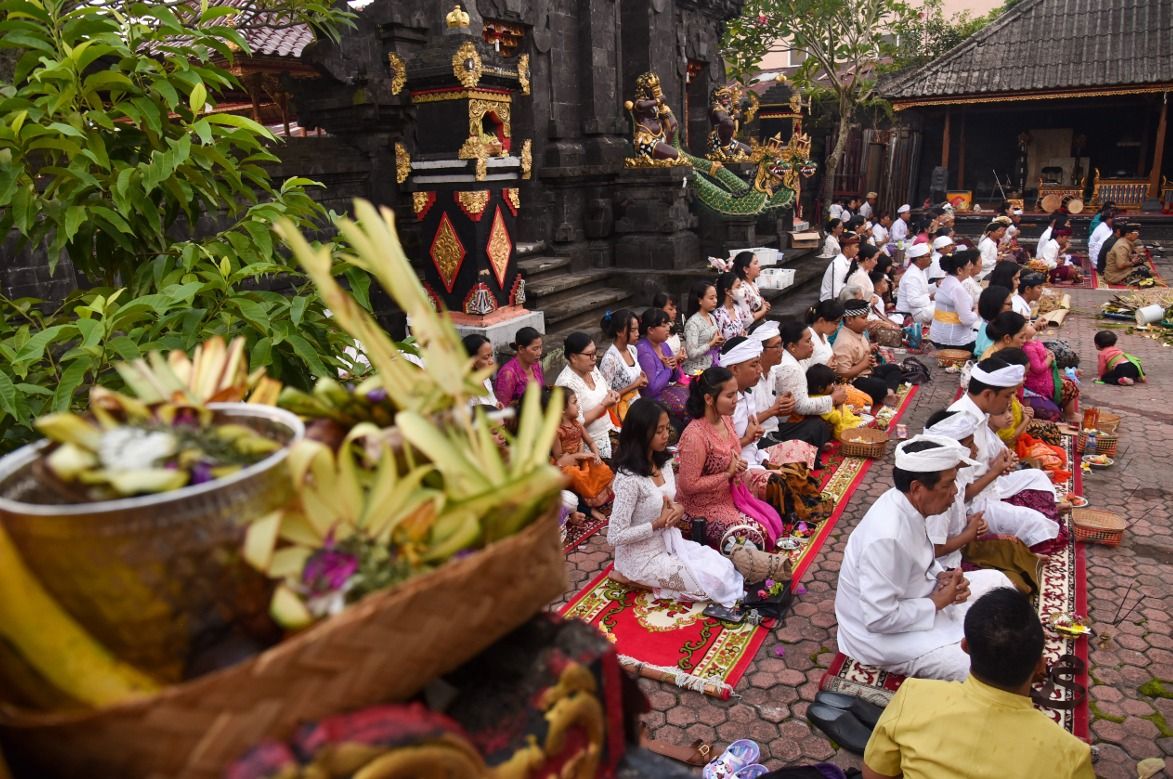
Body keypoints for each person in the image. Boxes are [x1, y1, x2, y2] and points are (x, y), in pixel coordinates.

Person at [861, 587, 1096, 779]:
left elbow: (875, 774)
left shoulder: (913, 695)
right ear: (1041, 665)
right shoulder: (1070, 754)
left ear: (965, 647)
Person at [834, 435, 1014, 680]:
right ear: (918, 488)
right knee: (976, 671)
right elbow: (878, 619)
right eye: (948, 484)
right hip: (881, 638)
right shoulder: (887, 538)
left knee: (998, 581)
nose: (955, 492)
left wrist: (942, 576)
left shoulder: (905, 503)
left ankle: (1003, 643)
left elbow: (921, 557)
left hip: (918, 599)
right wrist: (937, 601)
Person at [607, 398, 744, 607]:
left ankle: (651, 581)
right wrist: (655, 525)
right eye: (659, 431)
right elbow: (614, 536)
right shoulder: (629, 478)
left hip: (668, 542)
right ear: (641, 433)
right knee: (708, 585)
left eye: (666, 428)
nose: (666, 435)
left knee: (722, 567)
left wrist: (678, 510)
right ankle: (630, 577)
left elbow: (674, 502)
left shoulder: (663, 461)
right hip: (639, 557)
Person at [946, 358, 1061, 545]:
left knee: (1036, 476)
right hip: (970, 505)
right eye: (1007, 396)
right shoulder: (962, 423)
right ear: (989, 394)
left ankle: (1037, 509)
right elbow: (961, 495)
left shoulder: (978, 412)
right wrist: (995, 471)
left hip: (988, 486)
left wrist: (1000, 462)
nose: (1010, 402)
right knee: (1037, 524)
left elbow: (989, 455)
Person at [676, 366, 784, 555]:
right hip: (701, 507)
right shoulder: (695, 436)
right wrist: (727, 473)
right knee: (753, 538)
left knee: (771, 521)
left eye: (736, 394)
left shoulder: (726, 419)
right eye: (729, 396)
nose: (735, 401)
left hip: (729, 495)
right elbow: (688, 485)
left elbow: (731, 455)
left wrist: (739, 464)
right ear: (709, 399)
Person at [770, 319, 838, 458]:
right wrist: (832, 399)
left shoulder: (795, 358)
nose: (812, 344)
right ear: (792, 346)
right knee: (819, 426)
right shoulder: (790, 367)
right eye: (807, 341)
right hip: (780, 426)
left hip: (787, 421)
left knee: (821, 424)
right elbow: (801, 406)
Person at [551, 388, 614, 519]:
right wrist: (581, 456)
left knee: (600, 467)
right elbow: (559, 459)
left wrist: (596, 455)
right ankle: (589, 508)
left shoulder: (577, 425)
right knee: (576, 475)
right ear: (562, 410)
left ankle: (600, 497)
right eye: (574, 402)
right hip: (565, 467)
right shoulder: (556, 431)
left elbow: (590, 442)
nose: (578, 405)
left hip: (580, 458)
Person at [555, 332, 620, 459]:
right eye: (589, 355)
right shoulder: (566, 383)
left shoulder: (591, 368)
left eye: (595, 353)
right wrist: (603, 405)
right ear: (573, 357)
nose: (594, 358)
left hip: (610, 429)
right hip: (590, 441)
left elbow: (607, 390)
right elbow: (575, 422)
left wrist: (613, 394)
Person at [831, 299, 905, 406]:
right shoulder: (844, 342)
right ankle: (885, 392)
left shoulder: (858, 332)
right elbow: (843, 375)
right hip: (854, 381)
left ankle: (888, 393)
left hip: (867, 373)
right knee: (880, 386)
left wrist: (870, 350)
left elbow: (860, 353)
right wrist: (864, 364)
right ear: (850, 320)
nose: (867, 321)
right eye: (863, 318)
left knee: (894, 369)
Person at [635, 308, 690, 428]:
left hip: (666, 391)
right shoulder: (644, 350)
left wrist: (675, 365)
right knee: (687, 408)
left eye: (668, 324)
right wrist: (669, 368)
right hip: (652, 401)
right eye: (664, 325)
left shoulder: (664, 346)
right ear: (650, 330)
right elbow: (651, 389)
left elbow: (675, 377)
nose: (668, 328)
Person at [599, 308, 648, 424]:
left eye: (637, 329)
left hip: (636, 404)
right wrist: (634, 385)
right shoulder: (610, 359)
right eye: (633, 330)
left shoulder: (632, 349)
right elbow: (606, 396)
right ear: (619, 332)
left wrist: (641, 382)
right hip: (621, 411)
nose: (637, 334)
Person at [930, 254, 978, 353]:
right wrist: (978, 310)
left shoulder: (945, 282)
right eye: (969, 265)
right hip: (954, 341)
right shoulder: (957, 289)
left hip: (938, 336)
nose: (971, 267)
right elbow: (967, 320)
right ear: (959, 270)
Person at [806, 363, 862, 437]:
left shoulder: (823, 395)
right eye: (830, 384)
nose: (833, 386)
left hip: (848, 421)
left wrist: (850, 410)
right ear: (820, 389)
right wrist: (840, 403)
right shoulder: (819, 402)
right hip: (842, 429)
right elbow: (836, 419)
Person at [493, 326, 544, 406]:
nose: (539, 352)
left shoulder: (536, 365)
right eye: (535, 349)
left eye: (540, 347)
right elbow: (502, 407)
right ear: (521, 349)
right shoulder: (508, 374)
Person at [682, 280, 724, 375]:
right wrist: (711, 343)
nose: (715, 301)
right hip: (696, 371)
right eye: (711, 298)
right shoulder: (693, 323)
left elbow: (714, 341)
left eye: (716, 297)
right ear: (700, 300)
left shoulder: (711, 317)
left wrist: (719, 342)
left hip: (711, 366)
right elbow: (691, 353)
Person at [895, 243, 933, 324]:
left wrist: (937, 285)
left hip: (919, 309)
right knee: (944, 308)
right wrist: (930, 298)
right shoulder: (912, 276)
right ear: (919, 259)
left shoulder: (919, 270)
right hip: (910, 314)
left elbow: (924, 289)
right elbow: (913, 301)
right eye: (928, 256)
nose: (931, 258)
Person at [731, 251, 772, 323]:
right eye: (755, 263)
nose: (759, 265)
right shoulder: (742, 290)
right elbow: (746, 321)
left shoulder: (753, 285)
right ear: (746, 269)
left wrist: (763, 305)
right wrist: (763, 310)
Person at [973, 285, 1013, 356]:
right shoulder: (990, 329)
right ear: (996, 305)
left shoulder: (994, 324)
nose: (1012, 308)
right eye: (1009, 304)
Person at [461, 333, 500, 407]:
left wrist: (497, 406)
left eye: (491, 355)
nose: (491, 361)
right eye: (486, 357)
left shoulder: (485, 380)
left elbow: (493, 403)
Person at [802, 300, 841, 369]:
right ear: (821, 320)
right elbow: (804, 372)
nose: (837, 327)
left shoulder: (824, 335)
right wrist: (826, 369)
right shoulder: (808, 340)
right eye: (835, 323)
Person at [713, 270, 750, 343]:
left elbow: (743, 329)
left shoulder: (738, 309)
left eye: (741, 286)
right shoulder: (719, 314)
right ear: (727, 291)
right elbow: (718, 341)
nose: (741, 289)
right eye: (738, 286)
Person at [819, 234, 858, 302]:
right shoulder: (839, 265)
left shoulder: (847, 260)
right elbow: (836, 293)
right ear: (847, 249)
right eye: (856, 247)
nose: (858, 250)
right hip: (829, 303)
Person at [651, 291, 683, 355]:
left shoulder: (672, 325)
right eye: (671, 309)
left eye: (675, 309)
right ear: (660, 309)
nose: (675, 312)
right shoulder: (656, 331)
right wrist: (676, 359)